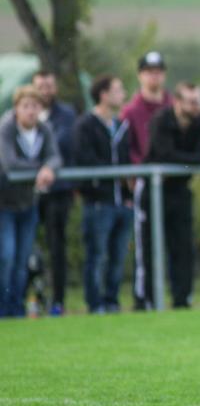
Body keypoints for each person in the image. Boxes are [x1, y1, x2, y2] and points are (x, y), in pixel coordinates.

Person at [145, 82, 200, 310]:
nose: (197, 107)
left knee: (184, 247)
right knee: (152, 247)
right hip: (155, 191)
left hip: (181, 191)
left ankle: (182, 300)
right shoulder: (161, 120)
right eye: (192, 102)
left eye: (199, 101)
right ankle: (148, 300)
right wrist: (198, 159)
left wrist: (195, 158)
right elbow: (166, 154)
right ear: (177, 102)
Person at [74, 76, 134, 314]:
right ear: (103, 95)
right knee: (97, 256)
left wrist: (128, 194)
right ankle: (95, 303)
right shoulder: (85, 125)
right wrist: (109, 180)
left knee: (118, 257)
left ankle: (112, 301)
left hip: (122, 203)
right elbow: (85, 161)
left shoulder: (121, 125)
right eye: (118, 90)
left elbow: (127, 161)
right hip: (98, 204)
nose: (123, 94)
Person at [0, 86, 60, 318]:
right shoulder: (6, 129)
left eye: (35, 106)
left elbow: (55, 156)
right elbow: (10, 163)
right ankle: (3, 308)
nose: (31, 111)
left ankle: (16, 308)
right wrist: (41, 168)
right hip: (4, 205)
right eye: (26, 106)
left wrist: (48, 167)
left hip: (28, 204)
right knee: (6, 257)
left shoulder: (44, 130)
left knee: (22, 260)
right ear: (16, 109)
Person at [122, 51, 174, 311]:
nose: (154, 75)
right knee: (146, 247)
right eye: (149, 71)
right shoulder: (131, 112)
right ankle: (145, 299)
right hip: (145, 185)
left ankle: (178, 298)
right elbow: (128, 148)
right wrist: (134, 173)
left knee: (176, 245)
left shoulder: (174, 106)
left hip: (172, 186)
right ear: (140, 75)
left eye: (158, 70)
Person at [32, 71, 77, 315]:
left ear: (55, 88)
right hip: (26, 193)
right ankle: (24, 299)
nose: (45, 91)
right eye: (40, 86)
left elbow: (60, 146)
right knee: (22, 247)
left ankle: (58, 300)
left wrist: (44, 164)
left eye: (49, 86)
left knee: (56, 245)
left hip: (58, 191)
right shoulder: (20, 114)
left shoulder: (66, 115)